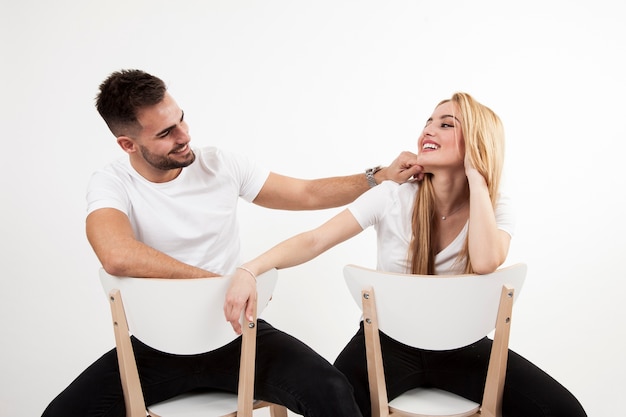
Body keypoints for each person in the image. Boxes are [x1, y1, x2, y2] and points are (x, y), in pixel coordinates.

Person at [41, 69, 421, 417]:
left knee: (334, 391)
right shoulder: (112, 183)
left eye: (181, 119)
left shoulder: (220, 164)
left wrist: (379, 176)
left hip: (238, 337)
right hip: (154, 347)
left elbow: (305, 193)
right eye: (165, 133)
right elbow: (116, 254)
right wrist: (217, 285)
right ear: (127, 144)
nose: (184, 135)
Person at [225, 92, 588, 417]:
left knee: (564, 411)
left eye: (446, 124)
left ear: (477, 142)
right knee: (330, 402)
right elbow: (316, 240)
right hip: (385, 346)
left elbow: (486, 262)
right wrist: (250, 268)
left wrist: (478, 179)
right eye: (428, 121)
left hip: (464, 347)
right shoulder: (392, 195)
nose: (429, 129)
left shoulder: (494, 206)